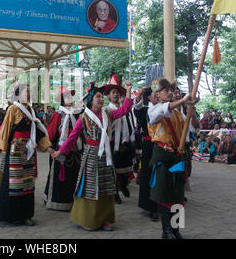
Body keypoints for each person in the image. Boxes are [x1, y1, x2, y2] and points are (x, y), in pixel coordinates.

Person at [53, 80, 134, 231]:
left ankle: (106, 219)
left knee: (106, 186)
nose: (102, 99)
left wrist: (128, 90)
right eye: (98, 97)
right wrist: (61, 151)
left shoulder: (108, 114)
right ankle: (88, 219)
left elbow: (125, 110)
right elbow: (72, 137)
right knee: (90, 186)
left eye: (102, 97)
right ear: (91, 100)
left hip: (105, 156)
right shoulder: (84, 117)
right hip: (91, 155)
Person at [0, 82, 54, 226]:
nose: (29, 94)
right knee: (14, 184)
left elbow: (38, 132)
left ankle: (26, 214)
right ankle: (11, 215)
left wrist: (49, 148)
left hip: (28, 152)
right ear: (18, 95)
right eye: (26, 92)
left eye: (30, 91)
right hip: (15, 151)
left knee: (27, 183)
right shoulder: (13, 109)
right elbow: (5, 131)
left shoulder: (31, 110)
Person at [148, 78, 196, 239]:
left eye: (171, 90)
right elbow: (163, 110)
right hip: (163, 157)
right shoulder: (153, 110)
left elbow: (194, 127)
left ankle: (176, 230)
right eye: (166, 90)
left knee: (178, 194)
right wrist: (183, 99)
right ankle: (167, 230)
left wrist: (192, 110)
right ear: (157, 94)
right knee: (164, 193)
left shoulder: (178, 113)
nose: (170, 92)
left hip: (177, 157)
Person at [44, 86, 82, 211]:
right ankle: (58, 203)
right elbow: (50, 134)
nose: (70, 99)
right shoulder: (57, 115)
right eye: (67, 97)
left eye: (71, 96)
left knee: (74, 177)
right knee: (60, 178)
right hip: (60, 151)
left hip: (75, 151)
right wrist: (50, 149)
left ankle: (73, 202)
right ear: (62, 100)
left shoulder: (77, 114)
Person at [104, 75, 139, 204]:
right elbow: (125, 109)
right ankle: (115, 193)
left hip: (126, 142)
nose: (116, 95)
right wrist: (129, 91)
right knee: (114, 171)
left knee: (126, 169)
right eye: (113, 92)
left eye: (118, 92)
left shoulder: (125, 109)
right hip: (113, 143)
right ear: (108, 96)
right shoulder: (107, 110)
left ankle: (123, 185)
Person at [134, 87, 159, 221]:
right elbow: (136, 109)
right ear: (149, 97)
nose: (158, 96)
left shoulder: (165, 109)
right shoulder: (144, 110)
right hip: (149, 146)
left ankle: (162, 204)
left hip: (163, 145)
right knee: (149, 174)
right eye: (156, 94)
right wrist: (139, 96)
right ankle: (151, 207)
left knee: (161, 174)